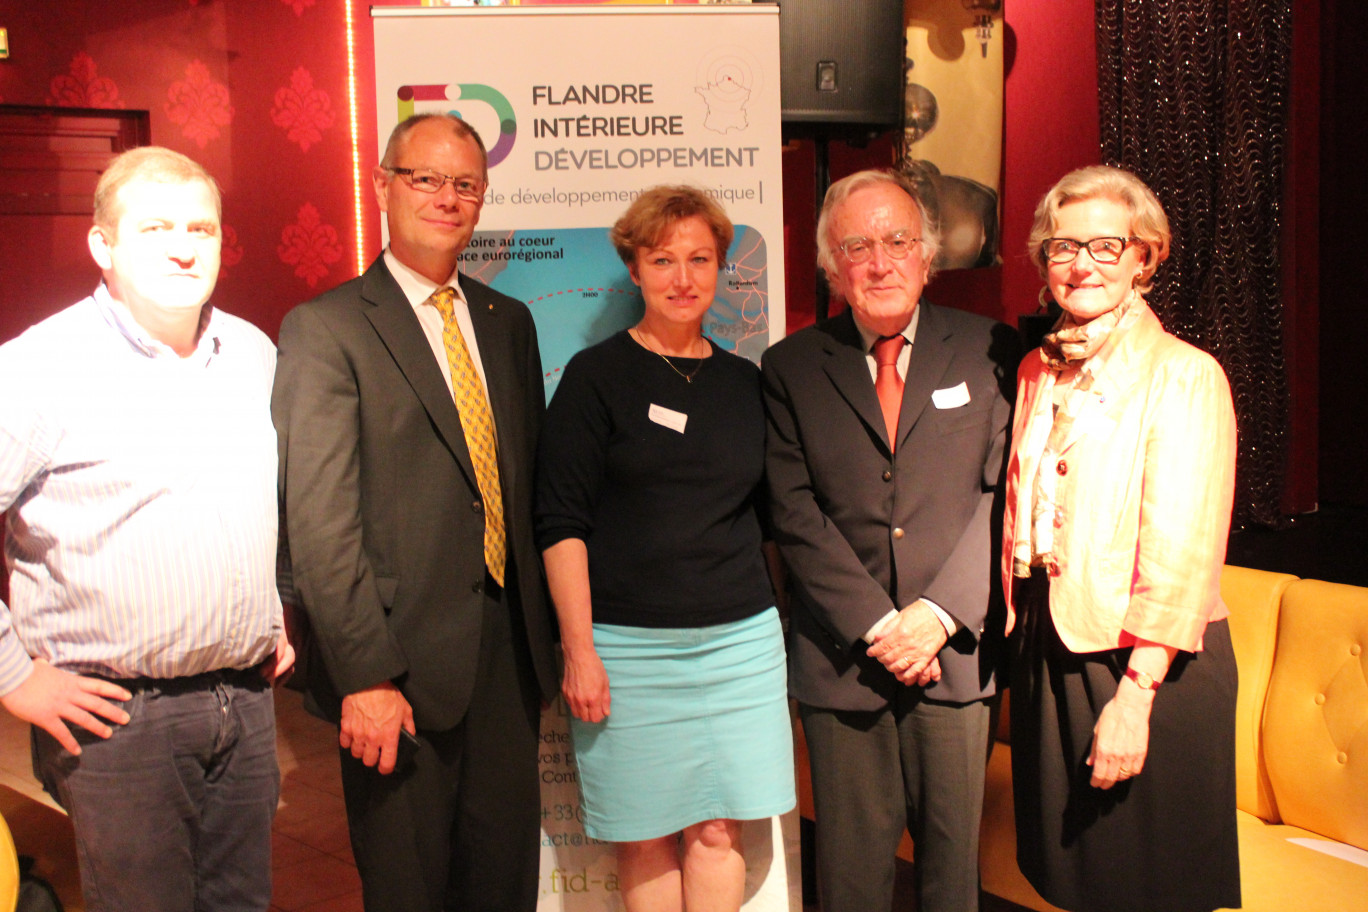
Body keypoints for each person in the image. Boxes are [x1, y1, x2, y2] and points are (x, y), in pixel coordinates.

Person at [272, 114, 558, 912]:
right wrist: (366, 675)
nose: (446, 197)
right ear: (383, 187)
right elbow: (319, 525)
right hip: (395, 669)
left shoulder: (509, 324)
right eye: (425, 178)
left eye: (465, 183)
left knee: (503, 886)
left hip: (508, 658)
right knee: (409, 891)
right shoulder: (326, 329)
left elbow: (522, 487)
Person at [0, 145, 293, 912]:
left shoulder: (252, 354)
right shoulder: (39, 369)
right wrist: (12, 675)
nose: (183, 245)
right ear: (103, 246)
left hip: (246, 703)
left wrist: (272, 612)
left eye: (202, 227)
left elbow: (270, 502)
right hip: (117, 724)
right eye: (156, 226)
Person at [762, 169, 1016, 912]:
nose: (879, 262)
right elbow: (793, 510)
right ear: (833, 268)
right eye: (858, 246)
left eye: (898, 241)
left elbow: (1004, 497)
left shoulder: (988, 348)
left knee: (951, 876)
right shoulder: (790, 368)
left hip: (957, 653)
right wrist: (881, 626)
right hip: (847, 660)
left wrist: (935, 616)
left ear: (928, 255)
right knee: (850, 878)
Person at [536, 186, 795, 912]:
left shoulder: (747, 382)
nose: (682, 278)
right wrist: (580, 649)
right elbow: (561, 522)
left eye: (699, 259)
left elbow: (768, 519)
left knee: (718, 829)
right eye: (663, 260)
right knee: (645, 833)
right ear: (635, 269)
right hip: (627, 649)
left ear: (720, 269)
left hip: (741, 644)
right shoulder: (597, 378)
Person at [1001, 165, 1240, 912]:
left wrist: (1135, 697)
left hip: (1148, 661)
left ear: (1147, 256)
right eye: (1062, 246)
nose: (1081, 264)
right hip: (1052, 639)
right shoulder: (1036, 370)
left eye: (1107, 245)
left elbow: (1182, 551)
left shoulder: (1184, 375)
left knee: (1150, 886)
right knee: (1078, 879)